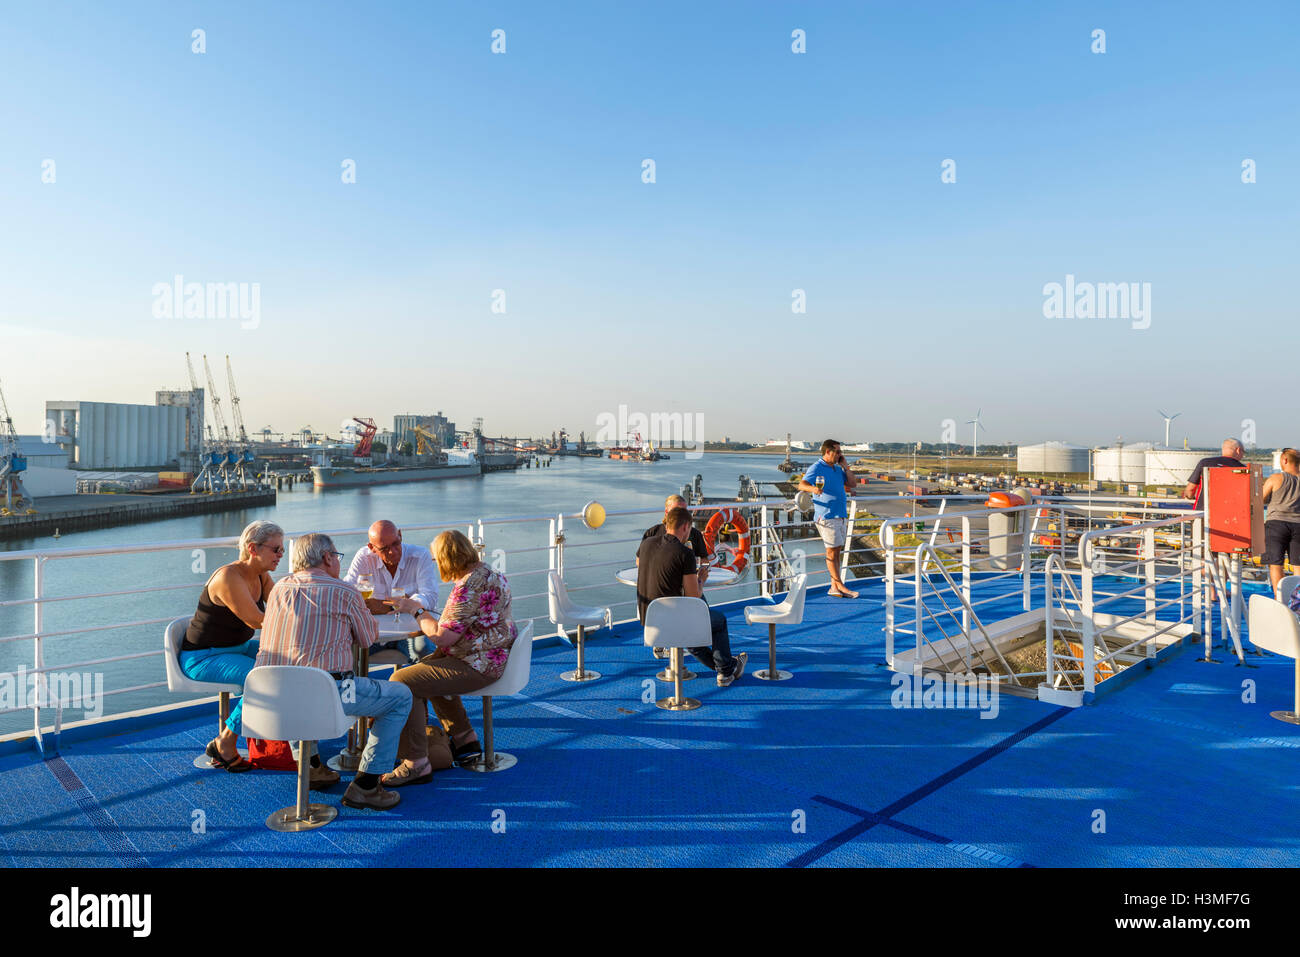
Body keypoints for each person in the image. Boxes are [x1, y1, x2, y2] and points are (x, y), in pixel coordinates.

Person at [255, 533, 413, 811]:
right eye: (337, 557)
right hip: (328, 699)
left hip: (273, 701)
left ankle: (313, 768)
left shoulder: (278, 588)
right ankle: (366, 786)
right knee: (400, 695)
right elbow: (366, 639)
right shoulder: (344, 591)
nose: (338, 563)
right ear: (328, 558)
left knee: (296, 675)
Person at [383, 530, 516, 785]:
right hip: (491, 657)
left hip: (478, 664)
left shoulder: (468, 585)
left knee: (402, 680)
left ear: (447, 558)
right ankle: (464, 739)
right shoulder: (490, 574)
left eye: (436, 560)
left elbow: (442, 637)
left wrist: (416, 609)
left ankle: (416, 763)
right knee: (426, 668)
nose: (435, 565)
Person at [179, 520, 282, 773]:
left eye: (282, 550)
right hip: (204, 658)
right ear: (253, 549)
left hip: (237, 647)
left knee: (285, 665)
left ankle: (274, 733)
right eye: (276, 549)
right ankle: (225, 742)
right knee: (264, 681)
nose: (281, 555)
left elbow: (283, 605)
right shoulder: (228, 577)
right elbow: (255, 620)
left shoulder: (261, 575)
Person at [635, 507, 746, 686]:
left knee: (694, 640)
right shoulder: (684, 553)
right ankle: (726, 672)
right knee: (719, 622)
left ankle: (729, 667)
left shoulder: (647, 544)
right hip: (674, 623)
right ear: (686, 527)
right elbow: (694, 596)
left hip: (649, 622)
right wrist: (700, 578)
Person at [343, 520, 441, 660]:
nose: (393, 552)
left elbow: (430, 597)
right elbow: (346, 593)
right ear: (371, 547)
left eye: (396, 544)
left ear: (400, 535)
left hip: (414, 624)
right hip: (377, 629)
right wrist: (405, 603)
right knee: (349, 652)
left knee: (425, 650)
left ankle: (414, 680)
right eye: (384, 549)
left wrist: (387, 607)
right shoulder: (364, 557)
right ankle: (363, 681)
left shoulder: (420, 556)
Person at [640, 494, 712, 659]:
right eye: (678, 510)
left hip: (689, 584)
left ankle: (703, 648)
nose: (682, 514)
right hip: (669, 588)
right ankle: (724, 667)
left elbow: (705, 559)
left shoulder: (693, 534)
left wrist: (699, 573)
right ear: (667, 512)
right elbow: (640, 561)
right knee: (701, 618)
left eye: (685, 510)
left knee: (704, 614)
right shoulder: (652, 533)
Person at [797, 439, 860, 598]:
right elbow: (801, 485)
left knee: (836, 551)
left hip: (840, 515)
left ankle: (834, 587)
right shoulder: (817, 467)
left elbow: (853, 484)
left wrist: (845, 466)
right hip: (826, 515)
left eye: (841, 452)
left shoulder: (838, 469)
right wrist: (813, 489)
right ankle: (841, 585)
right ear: (827, 452)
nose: (840, 455)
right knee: (831, 552)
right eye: (837, 452)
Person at [1263, 448, 1300, 597]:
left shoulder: (1276, 478)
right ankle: (1298, 601)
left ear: (1284, 460)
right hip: (1298, 524)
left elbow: (1260, 499)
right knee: (1298, 565)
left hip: (1276, 524)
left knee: (1276, 563)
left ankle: (1280, 600)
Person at [1183, 438, 1246, 510]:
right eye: (1243, 452)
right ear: (1238, 450)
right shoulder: (1243, 469)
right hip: (1230, 513)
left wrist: (1189, 498)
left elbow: (1190, 490)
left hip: (1203, 512)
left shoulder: (1204, 463)